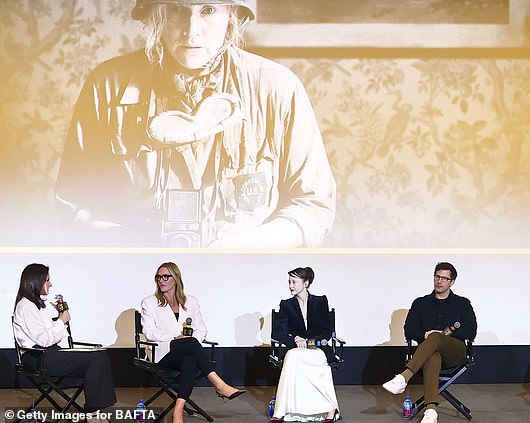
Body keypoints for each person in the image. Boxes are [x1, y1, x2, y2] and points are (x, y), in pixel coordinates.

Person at [55, 0, 336, 248]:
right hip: (137, 278)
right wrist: (131, 246)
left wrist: (236, 248)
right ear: (155, 14)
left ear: (231, 15)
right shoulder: (107, 87)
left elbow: (312, 207)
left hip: (241, 278)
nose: (191, 30)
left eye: (208, 10)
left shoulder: (278, 88)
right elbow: (73, 202)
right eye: (177, 10)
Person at [140, 261, 245, 423]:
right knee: (189, 343)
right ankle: (219, 384)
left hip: (185, 353)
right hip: (163, 354)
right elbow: (149, 331)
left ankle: (178, 411)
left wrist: (187, 340)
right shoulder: (149, 302)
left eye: (166, 276)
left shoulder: (192, 302)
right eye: (158, 277)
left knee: (190, 360)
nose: (161, 280)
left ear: (175, 278)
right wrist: (175, 338)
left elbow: (201, 330)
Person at [12, 263, 117, 414]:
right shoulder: (26, 306)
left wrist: (62, 320)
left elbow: (53, 337)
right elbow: (44, 340)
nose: (50, 284)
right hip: (37, 357)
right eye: (47, 280)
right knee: (95, 359)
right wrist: (61, 321)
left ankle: (95, 411)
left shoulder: (37, 306)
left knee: (100, 355)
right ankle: (93, 414)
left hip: (49, 353)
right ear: (36, 281)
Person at [382, 262, 477, 423]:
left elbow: (471, 331)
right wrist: (425, 334)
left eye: (444, 278)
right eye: (437, 277)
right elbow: (409, 330)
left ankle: (404, 377)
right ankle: (431, 411)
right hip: (428, 353)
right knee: (433, 355)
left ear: (451, 282)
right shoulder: (420, 303)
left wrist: (441, 335)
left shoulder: (462, 303)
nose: (439, 281)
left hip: (455, 352)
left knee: (436, 337)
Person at [270, 266, 340, 422]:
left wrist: (309, 342)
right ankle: (280, 411)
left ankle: (330, 410)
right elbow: (278, 332)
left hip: (317, 348)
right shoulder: (286, 304)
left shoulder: (320, 301)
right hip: (296, 349)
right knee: (292, 357)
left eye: (294, 282)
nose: (290, 286)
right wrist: (295, 339)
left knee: (319, 363)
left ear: (306, 283)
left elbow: (326, 332)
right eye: (289, 282)